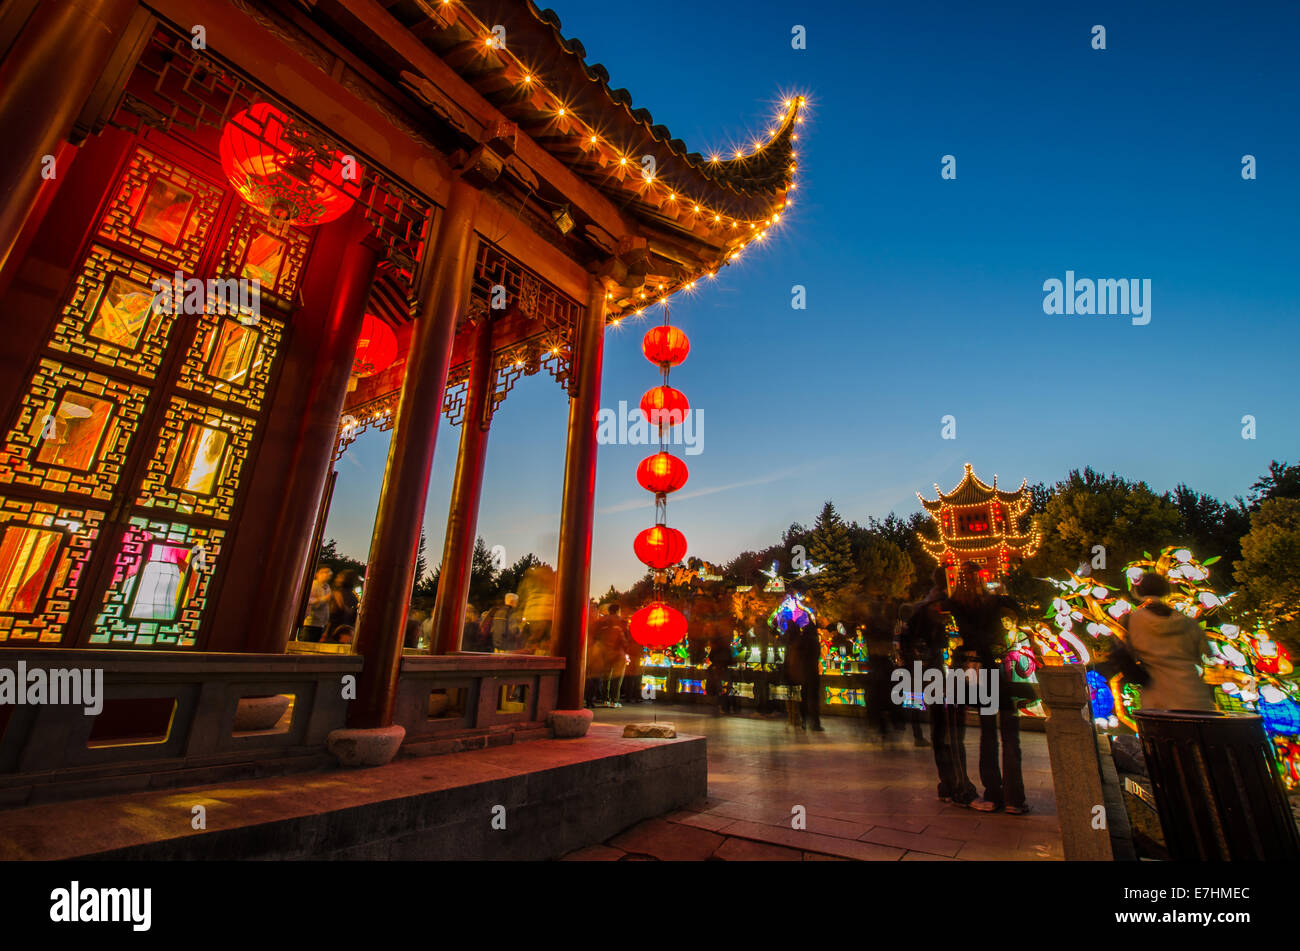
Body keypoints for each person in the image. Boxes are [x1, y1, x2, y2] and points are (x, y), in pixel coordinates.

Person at [941, 565, 1027, 814]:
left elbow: (940, 606)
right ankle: (1014, 798)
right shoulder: (994, 601)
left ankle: (992, 791)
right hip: (996, 666)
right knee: (1010, 733)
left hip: (973, 668)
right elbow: (1019, 609)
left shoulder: (956, 603)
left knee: (987, 732)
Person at [906, 569, 977, 806]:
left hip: (929, 675)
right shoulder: (939, 608)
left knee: (941, 730)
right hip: (940, 675)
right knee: (950, 732)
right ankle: (959, 786)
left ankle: (947, 784)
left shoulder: (924, 607)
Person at [1124, 573, 1215, 711]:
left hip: (1160, 698)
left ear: (1139, 591)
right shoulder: (1188, 622)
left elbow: (1126, 653)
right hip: (1195, 695)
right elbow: (1208, 653)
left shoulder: (1136, 620)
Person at [299, 566, 333, 642]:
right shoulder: (313, 585)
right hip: (310, 622)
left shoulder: (327, 587)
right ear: (317, 574)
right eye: (324, 572)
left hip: (321, 623)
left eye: (328, 573)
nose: (327, 574)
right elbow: (307, 601)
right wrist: (323, 599)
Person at [326, 570, 360, 642]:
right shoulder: (353, 596)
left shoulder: (337, 594)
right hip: (347, 629)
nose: (337, 578)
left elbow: (332, 612)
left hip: (336, 629)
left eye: (340, 577)